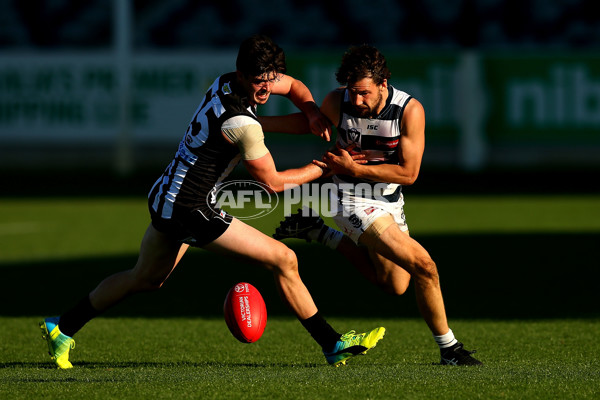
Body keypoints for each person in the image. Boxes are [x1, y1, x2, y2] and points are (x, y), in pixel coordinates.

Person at [39, 35, 385, 369]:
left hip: (166, 195)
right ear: (241, 75)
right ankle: (331, 344)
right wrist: (324, 165)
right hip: (189, 207)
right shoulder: (241, 123)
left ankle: (63, 326)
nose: (265, 89)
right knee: (284, 258)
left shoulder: (227, 82)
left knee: (145, 278)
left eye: (269, 80)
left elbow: (293, 86)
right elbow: (272, 182)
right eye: (257, 83)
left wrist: (310, 111)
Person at [263, 45, 482, 366]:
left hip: (389, 200)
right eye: (352, 92)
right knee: (425, 266)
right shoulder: (339, 101)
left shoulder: (408, 111)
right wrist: (256, 124)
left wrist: (356, 169)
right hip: (348, 199)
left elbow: (408, 173)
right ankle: (450, 349)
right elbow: (307, 124)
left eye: (363, 92)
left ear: (383, 84)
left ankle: (320, 233)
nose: (357, 100)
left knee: (395, 285)